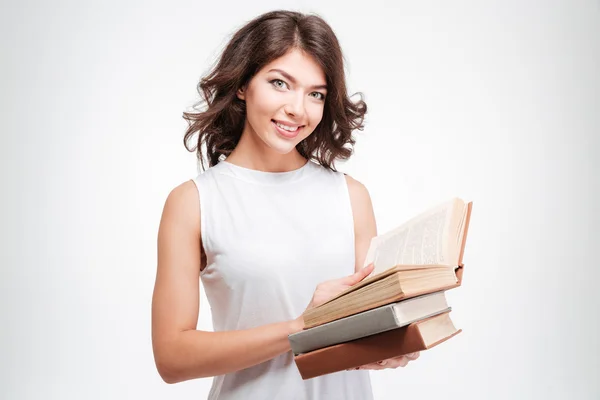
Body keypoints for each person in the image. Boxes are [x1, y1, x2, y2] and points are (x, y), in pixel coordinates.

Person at [151, 9, 419, 400]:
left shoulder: (351, 196)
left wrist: (397, 341)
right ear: (243, 85)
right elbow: (172, 358)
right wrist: (302, 326)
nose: (298, 109)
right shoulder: (194, 202)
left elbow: (367, 324)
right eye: (280, 83)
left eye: (316, 94)